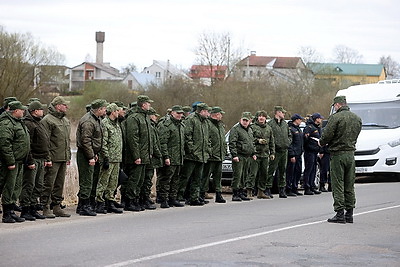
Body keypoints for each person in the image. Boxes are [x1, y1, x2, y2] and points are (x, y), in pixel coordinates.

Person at [319, 95, 362, 224]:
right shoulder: (357, 118)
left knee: (338, 183)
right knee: (349, 184)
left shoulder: (335, 118)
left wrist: (321, 143)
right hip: (350, 154)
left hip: (338, 155)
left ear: (337, 105)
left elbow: (327, 135)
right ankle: (350, 214)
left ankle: (339, 213)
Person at [40, 96, 72, 218]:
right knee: (49, 183)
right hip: (53, 157)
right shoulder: (47, 120)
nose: (66, 107)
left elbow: (67, 140)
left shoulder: (65, 121)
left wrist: (68, 156)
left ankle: (57, 206)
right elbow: (45, 141)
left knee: (59, 183)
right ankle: (45, 207)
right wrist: (47, 158)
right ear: (58, 106)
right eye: (64, 105)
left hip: (62, 157)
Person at [0, 101, 31, 223]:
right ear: (15, 111)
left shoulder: (19, 122)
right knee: (9, 187)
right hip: (11, 162)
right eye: (21, 110)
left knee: (15, 187)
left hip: (19, 161)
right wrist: (10, 161)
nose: (23, 111)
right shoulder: (6, 123)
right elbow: (4, 144)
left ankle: (11, 211)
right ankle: (6, 214)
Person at [76, 99, 108, 216]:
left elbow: (94, 140)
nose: (105, 110)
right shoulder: (88, 121)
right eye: (104, 108)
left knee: (91, 180)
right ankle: (84, 206)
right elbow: (86, 140)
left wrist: (95, 154)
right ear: (99, 109)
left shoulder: (96, 119)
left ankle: (84, 205)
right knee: (86, 181)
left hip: (92, 154)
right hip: (85, 154)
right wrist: (90, 156)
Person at [122, 95, 154, 212]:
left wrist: (149, 153)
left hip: (145, 155)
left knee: (140, 179)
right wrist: (136, 156)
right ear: (143, 104)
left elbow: (148, 138)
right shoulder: (134, 118)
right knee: (134, 179)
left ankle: (136, 200)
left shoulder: (144, 117)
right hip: (137, 156)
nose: (150, 105)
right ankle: (129, 201)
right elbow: (133, 138)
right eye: (148, 103)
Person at [19, 101, 49, 221]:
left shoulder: (39, 122)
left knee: (38, 185)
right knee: (29, 185)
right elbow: (28, 144)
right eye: (41, 109)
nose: (43, 111)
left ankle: (33, 208)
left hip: (41, 158)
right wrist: (30, 160)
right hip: (34, 158)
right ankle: (25, 209)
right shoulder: (29, 124)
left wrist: (46, 158)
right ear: (35, 111)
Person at [178, 102, 210, 206]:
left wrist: (207, 149)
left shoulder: (205, 122)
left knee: (197, 178)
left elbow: (207, 138)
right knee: (185, 177)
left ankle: (194, 197)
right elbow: (187, 136)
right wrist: (191, 150)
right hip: (191, 156)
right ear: (201, 111)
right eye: (206, 111)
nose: (208, 113)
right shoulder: (191, 119)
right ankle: (179, 196)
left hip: (201, 155)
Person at [95, 103, 123, 214]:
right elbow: (104, 142)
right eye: (117, 111)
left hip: (117, 158)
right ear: (112, 112)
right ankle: (99, 202)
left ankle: (110, 201)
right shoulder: (105, 124)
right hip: (108, 158)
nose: (118, 113)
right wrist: (105, 157)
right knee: (103, 181)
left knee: (113, 182)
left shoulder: (116, 124)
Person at [156, 105, 185, 208]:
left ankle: (173, 198)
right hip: (170, 156)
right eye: (178, 113)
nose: (180, 115)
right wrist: (166, 156)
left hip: (178, 157)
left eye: (181, 113)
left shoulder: (181, 125)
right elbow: (163, 142)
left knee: (176, 179)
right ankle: (163, 199)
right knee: (166, 179)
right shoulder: (166, 125)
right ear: (172, 113)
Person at [229, 112, 257, 201]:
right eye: (243, 120)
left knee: (244, 175)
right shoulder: (236, 129)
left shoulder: (249, 130)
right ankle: (235, 193)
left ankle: (241, 191)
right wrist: (234, 155)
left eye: (246, 120)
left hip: (247, 156)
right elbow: (232, 143)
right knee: (238, 175)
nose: (245, 122)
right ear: (240, 120)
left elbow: (251, 143)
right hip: (239, 155)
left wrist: (253, 153)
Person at [202, 107, 228, 203]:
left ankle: (218, 194)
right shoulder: (208, 124)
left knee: (218, 177)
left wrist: (224, 151)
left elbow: (223, 140)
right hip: (211, 156)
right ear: (216, 114)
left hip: (219, 156)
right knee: (206, 176)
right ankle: (202, 193)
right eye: (220, 114)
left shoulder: (220, 125)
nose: (221, 116)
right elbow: (206, 139)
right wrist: (210, 151)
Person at [266, 106, 291, 198]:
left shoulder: (285, 124)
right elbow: (268, 136)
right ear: (277, 112)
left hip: (284, 150)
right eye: (282, 112)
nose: (284, 114)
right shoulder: (270, 124)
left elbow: (289, 135)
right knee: (271, 170)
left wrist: (288, 142)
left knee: (282, 170)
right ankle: (268, 188)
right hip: (275, 150)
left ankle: (282, 189)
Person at [249, 110, 275, 199]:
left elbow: (272, 141)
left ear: (265, 118)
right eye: (259, 116)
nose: (261, 118)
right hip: (255, 154)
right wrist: (258, 141)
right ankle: (249, 191)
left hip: (265, 154)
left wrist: (272, 153)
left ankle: (261, 191)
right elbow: (249, 139)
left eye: (263, 116)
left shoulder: (269, 128)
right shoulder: (252, 127)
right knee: (253, 173)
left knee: (264, 174)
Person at [140, 107, 162, 210]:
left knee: (148, 179)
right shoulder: (150, 126)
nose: (155, 117)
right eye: (154, 115)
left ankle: (146, 197)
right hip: (150, 156)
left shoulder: (153, 126)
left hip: (151, 156)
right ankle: (144, 198)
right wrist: (159, 154)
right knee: (147, 179)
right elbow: (153, 143)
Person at [303, 113, 324, 195]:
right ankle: (307, 187)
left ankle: (312, 186)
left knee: (313, 169)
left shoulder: (317, 128)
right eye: (320, 118)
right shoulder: (309, 128)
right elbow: (305, 140)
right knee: (308, 169)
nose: (321, 120)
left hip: (315, 152)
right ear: (316, 119)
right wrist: (308, 148)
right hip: (309, 152)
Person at [286, 113, 304, 196]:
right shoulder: (290, 129)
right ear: (296, 120)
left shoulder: (298, 129)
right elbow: (290, 143)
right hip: (293, 154)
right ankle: (288, 189)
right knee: (291, 172)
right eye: (300, 119)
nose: (301, 121)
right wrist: (291, 154)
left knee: (298, 171)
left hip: (299, 153)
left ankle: (295, 187)